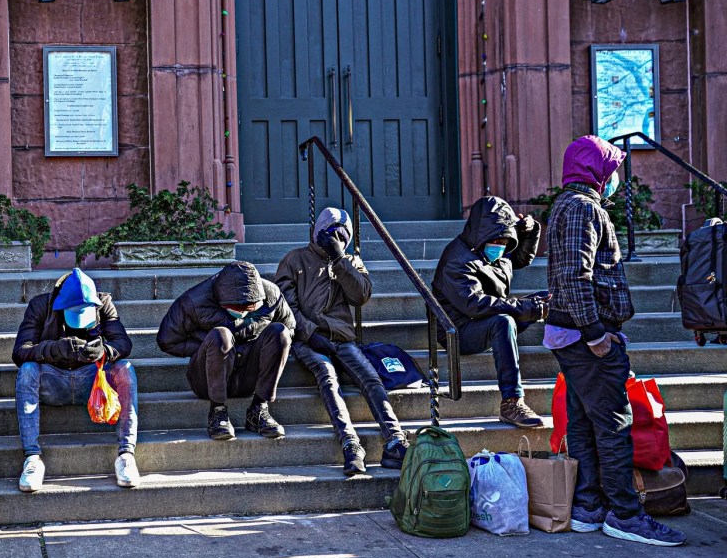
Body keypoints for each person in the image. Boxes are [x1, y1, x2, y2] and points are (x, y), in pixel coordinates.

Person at [545, 135, 685, 546]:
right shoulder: (582, 207)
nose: (617, 178)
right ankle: (625, 513)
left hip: (576, 333)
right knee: (612, 424)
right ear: (599, 171)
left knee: (587, 422)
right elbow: (575, 276)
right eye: (613, 168)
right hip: (586, 336)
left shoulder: (572, 206)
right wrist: (596, 335)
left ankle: (590, 507)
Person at [276, 208, 409, 475]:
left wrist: (339, 258)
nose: (337, 238)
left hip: (342, 338)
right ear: (318, 233)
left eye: (342, 235)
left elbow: (361, 295)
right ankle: (350, 444)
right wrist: (310, 333)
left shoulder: (350, 261)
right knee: (328, 377)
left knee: (370, 378)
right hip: (309, 339)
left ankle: (395, 439)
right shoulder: (294, 259)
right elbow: (285, 307)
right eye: (332, 233)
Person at [12, 268, 139, 492]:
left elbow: (123, 343)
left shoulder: (104, 303)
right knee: (28, 370)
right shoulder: (41, 305)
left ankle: (126, 454)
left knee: (125, 368)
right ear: (60, 305)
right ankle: (32, 458)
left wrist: (104, 352)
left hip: (92, 383)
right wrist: (54, 349)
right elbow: (20, 352)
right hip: (53, 380)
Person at [431, 196, 548, 428]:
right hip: (458, 331)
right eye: (495, 239)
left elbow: (522, 258)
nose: (500, 245)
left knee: (549, 298)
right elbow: (475, 304)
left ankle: (580, 373)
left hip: (487, 318)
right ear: (481, 234)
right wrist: (524, 308)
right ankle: (511, 402)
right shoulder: (456, 259)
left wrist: (531, 230)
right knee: (503, 322)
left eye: (504, 240)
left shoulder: (495, 249)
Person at [157, 260, 295, 441]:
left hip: (248, 373)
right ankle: (217, 412)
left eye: (250, 308)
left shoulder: (271, 294)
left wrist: (249, 350)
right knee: (220, 335)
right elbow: (167, 341)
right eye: (238, 308)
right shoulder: (194, 301)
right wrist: (211, 348)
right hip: (207, 378)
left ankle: (258, 409)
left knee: (280, 333)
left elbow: (291, 328)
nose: (243, 312)